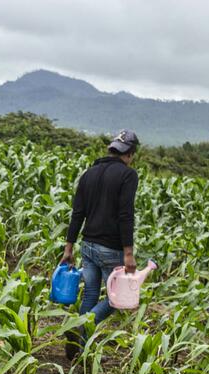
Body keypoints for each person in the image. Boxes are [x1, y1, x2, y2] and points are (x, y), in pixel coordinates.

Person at [61, 129, 141, 360]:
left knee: (90, 295)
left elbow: (78, 213)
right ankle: (82, 326)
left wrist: (69, 247)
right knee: (117, 299)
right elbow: (126, 215)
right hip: (110, 248)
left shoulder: (90, 173)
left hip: (87, 245)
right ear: (130, 154)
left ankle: (83, 350)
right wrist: (128, 253)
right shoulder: (128, 175)